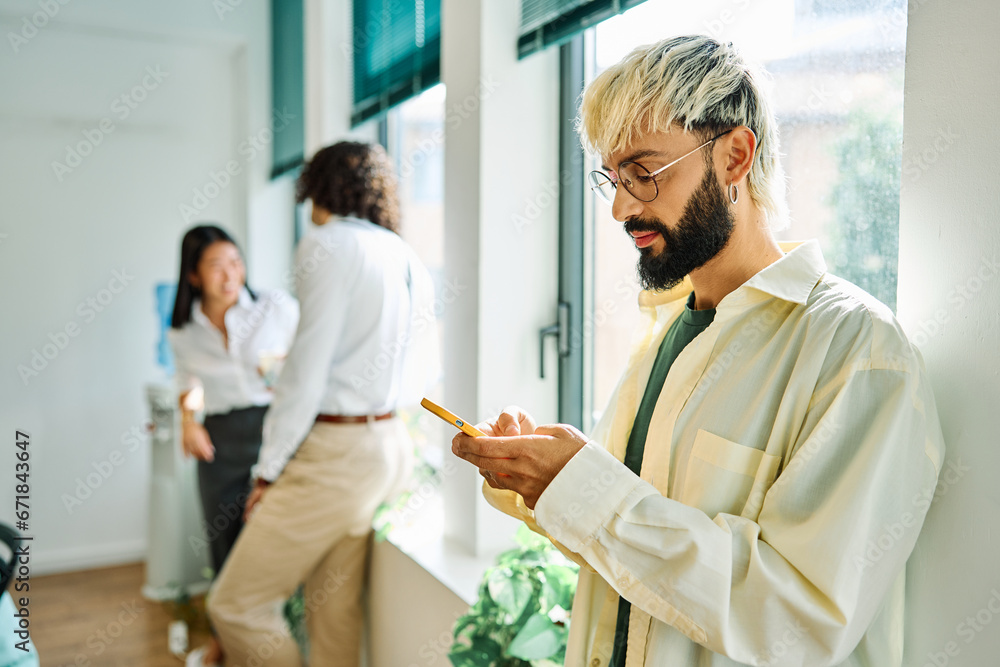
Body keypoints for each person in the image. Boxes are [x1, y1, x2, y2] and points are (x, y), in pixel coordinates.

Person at [452, 35, 945, 667]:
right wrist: (540, 481)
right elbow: (630, 549)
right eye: (613, 179)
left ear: (736, 155)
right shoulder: (666, 336)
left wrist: (582, 489)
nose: (622, 208)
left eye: (645, 174)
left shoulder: (858, 353)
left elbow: (797, 624)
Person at [207, 141, 438, 666]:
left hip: (338, 454)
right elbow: (421, 370)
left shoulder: (326, 243)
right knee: (332, 612)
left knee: (235, 605)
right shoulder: (404, 254)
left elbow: (305, 374)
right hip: (388, 447)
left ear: (321, 188)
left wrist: (267, 472)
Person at [167, 225, 299, 667]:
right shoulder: (183, 330)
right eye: (216, 266)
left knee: (270, 532)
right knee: (222, 538)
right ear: (193, 276)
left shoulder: (274, 308)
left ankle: (275, 633)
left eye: (236, 262)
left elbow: (309, 360)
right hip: (220, 436)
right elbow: (188, 381)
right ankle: (225, 638)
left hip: (273, 426)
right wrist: (189, 421)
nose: (230, 274)